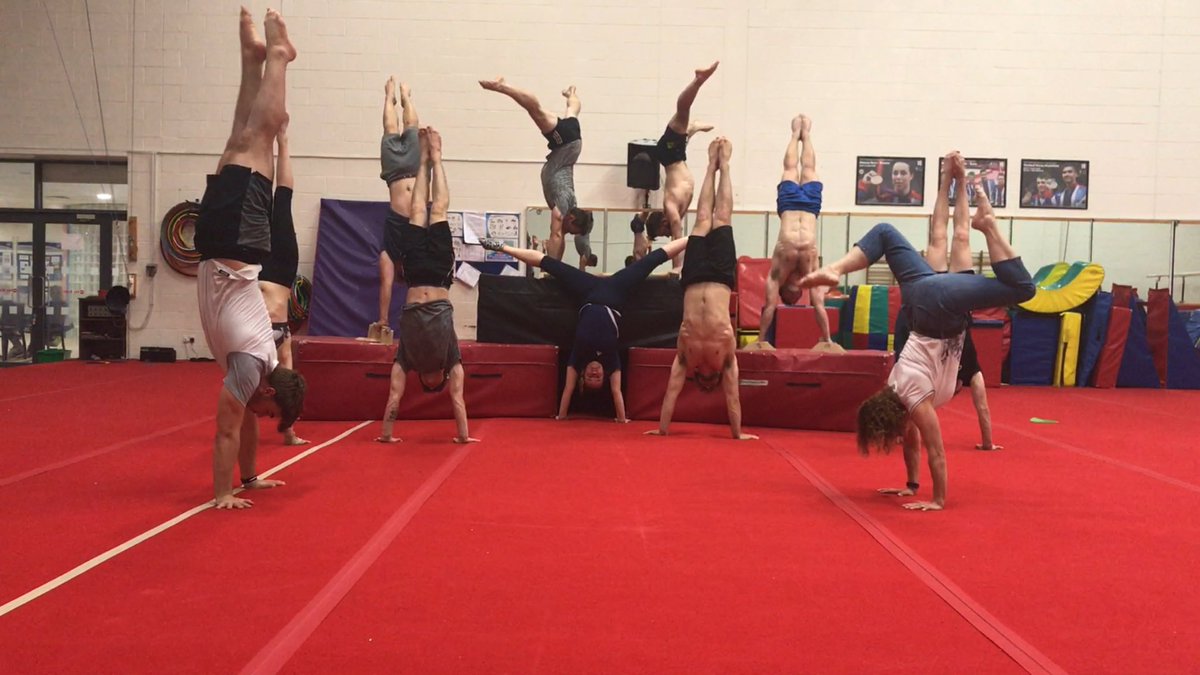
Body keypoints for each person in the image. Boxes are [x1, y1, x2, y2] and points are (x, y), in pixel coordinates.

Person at [801, 186, 1035, 511]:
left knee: (1023, 288)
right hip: (918, 296)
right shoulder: (901, 396)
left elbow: (936, 451)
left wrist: (937, 500)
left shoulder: (913, 399)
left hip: (938, 307)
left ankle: (988, 225)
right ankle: (836, 269)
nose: (897, 438)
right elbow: (912, 443)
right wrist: (911, 486)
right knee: (885, 233)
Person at [194, 7, 305, 510]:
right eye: (270, 412)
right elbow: (225, 431)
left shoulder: (259, 371)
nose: (261, 418)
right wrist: (223, 493)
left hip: (226, 246)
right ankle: (278, 57)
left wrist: (252, 477)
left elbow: (244, 425)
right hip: (235, 241)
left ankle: (252, 60)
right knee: (257, 139)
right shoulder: (250, 366)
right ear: (270, 394)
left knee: (236, 142)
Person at [480, 233, 688, 423]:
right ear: (605, 374)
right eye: (598, 377)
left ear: (582, 375)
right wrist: (622, 419)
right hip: (616, 291)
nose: (594, 372)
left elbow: (568, 389)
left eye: (590, 377)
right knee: (652, 261)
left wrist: (561, 416)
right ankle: (692, 238)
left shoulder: (578, 356)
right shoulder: (611, 358)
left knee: (550, 264)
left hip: (587, 292)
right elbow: (616, 392)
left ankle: (502, 247)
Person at [646, 137, 758, 441]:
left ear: (697, 379)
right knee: (722, 218)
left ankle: (711, 166)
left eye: (704, 385)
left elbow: (671, 391)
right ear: (717, 379)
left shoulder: (685, 360)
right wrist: (738, 434)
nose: (708, 384)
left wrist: (663, 428)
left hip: (693, 278)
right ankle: (724, 165)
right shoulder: (728, 361)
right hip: (721, 278)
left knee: (703, 219)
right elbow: (733, 397)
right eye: (712, 385)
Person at [892, 151, 1002, 451]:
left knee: (945, 237)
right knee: (955, 237)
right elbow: (980, 399)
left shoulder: (933, 372)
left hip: (935, 300)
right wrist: (987, 443)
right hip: (948, 301)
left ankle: (950, 179)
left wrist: (988, 442)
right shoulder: (963, 364)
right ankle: (956, 178)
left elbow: (906, 392)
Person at [376, 128, 477, 445]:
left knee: (417, 211)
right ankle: (437, 157)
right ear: (442, 377)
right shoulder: (450, 359)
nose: (433, 378)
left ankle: (423, 161)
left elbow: (394, 395)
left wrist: (386, 434)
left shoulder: (408, 359)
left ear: (422, 378)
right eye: (437, 382)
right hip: (439, 277)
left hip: (417, 276)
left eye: (428, 382)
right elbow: (457, 399)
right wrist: (463, 436)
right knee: (439, 210)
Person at [479, 77, 595, 269]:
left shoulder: (572, 208)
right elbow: (556, 234)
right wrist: (553, 269)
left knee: (572, 111)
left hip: (571, 145)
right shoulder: (563, 205)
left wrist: (568, 259)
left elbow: (567, 236)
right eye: (572, 230)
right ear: (572, 219)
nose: (568, 232)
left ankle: (572, 94)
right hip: (565, 144)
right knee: (536, 111)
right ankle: (503, 86)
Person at [754, 114, 835, 348]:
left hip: (792, 207)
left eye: (793, 291)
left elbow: (770, 306)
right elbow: (818, 304)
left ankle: (796, 134)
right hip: (807, 209)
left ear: (786, 287)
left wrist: (761, 339)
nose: (797, 285)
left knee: (792, 168)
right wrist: (827, 339)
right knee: (807, 168)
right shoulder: (809, 273)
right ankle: (804, 134)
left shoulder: (777, 274)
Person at [257, 119, 308, 446]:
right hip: (283, 271)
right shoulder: (281, 343)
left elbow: (287, 386)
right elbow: (287, 376)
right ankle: (279, 141)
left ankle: (280, 140)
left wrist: (289, 432)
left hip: (260, 268)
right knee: (282, 200)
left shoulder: (269, 352)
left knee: (268, 199)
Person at [651, 62, 718, 274]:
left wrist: (677, 267)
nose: (666, 234)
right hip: (677, 156)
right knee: (682, 122)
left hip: (670, 155)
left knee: (682, 110)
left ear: (661, 223)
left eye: (662, 232)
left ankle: (698, 80)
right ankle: (691, 130)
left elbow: (677, 236)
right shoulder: (677, 211)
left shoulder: (670, 208)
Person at [371, 76, 421, 343]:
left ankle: (390, 95)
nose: (400, 274)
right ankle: (406, 97)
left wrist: (383, 320)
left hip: (394, 174)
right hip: (413, 169)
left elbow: (386, 285)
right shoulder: (415, 252)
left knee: (390, 129)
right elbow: (413, 287)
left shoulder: (388, 253)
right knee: (411, 127)